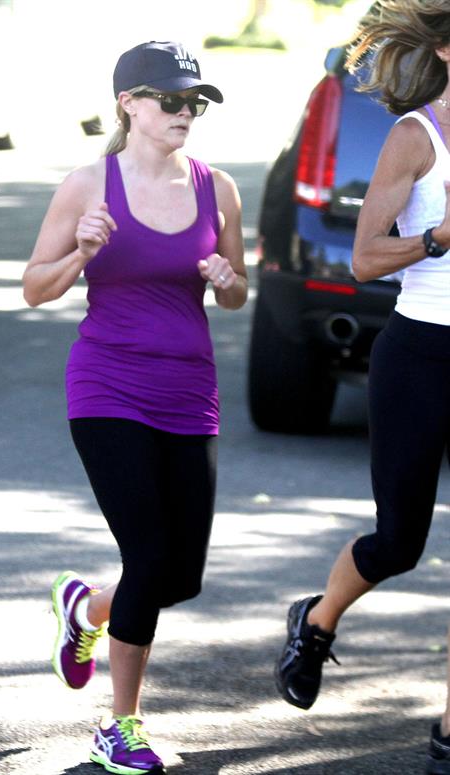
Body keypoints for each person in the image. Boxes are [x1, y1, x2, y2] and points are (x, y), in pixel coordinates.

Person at [22, 40, 247, 775]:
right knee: (148, 555)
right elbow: (35, 287)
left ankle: (85, 609)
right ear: (129, 104)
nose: (187, 112)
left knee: (179, 575)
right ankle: (120, 726)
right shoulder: (88, 184)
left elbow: (241, 288)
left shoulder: (219, 189)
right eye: (172, 100)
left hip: (190, 391)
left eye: (195, 101)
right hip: (108, 386)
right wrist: (81, 251)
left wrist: (226, 277)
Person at [273, 2, 450, 772]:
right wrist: (441, 236)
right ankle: (316, 619)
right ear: (445, 50)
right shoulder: (417, 137)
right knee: (398, 543)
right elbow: (365, 259)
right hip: (420, 354)